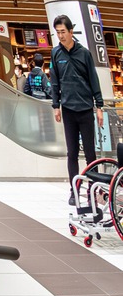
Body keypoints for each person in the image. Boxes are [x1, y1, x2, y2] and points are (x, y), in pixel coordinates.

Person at [50, 15, 104, 206]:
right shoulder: (56, 53)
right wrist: (56, 106)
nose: (60, 36)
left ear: (71, 31)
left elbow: (93, 79)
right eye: (57, 32)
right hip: (68, 110)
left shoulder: (84, 53)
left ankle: (94, 190)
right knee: (72, 153)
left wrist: (99, 106)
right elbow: (54, 81)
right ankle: (74, 191)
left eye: (63, 32)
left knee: (90, 153)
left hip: (86, 109)